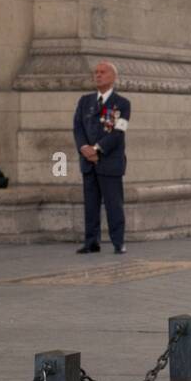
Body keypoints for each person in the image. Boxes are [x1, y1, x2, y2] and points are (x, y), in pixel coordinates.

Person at [74, 61, 131, 255]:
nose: (98, 75)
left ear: (113, 77)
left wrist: (97, 149)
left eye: (102, 72)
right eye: (96, 72)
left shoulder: (122, 104)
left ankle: (118, 242)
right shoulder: (85, 101)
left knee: (114, 205)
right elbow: (78, 127)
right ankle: (91, 242)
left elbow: (118, 132)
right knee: (90, 205)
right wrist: (84, 148)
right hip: (88, 162)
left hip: (110, 163)